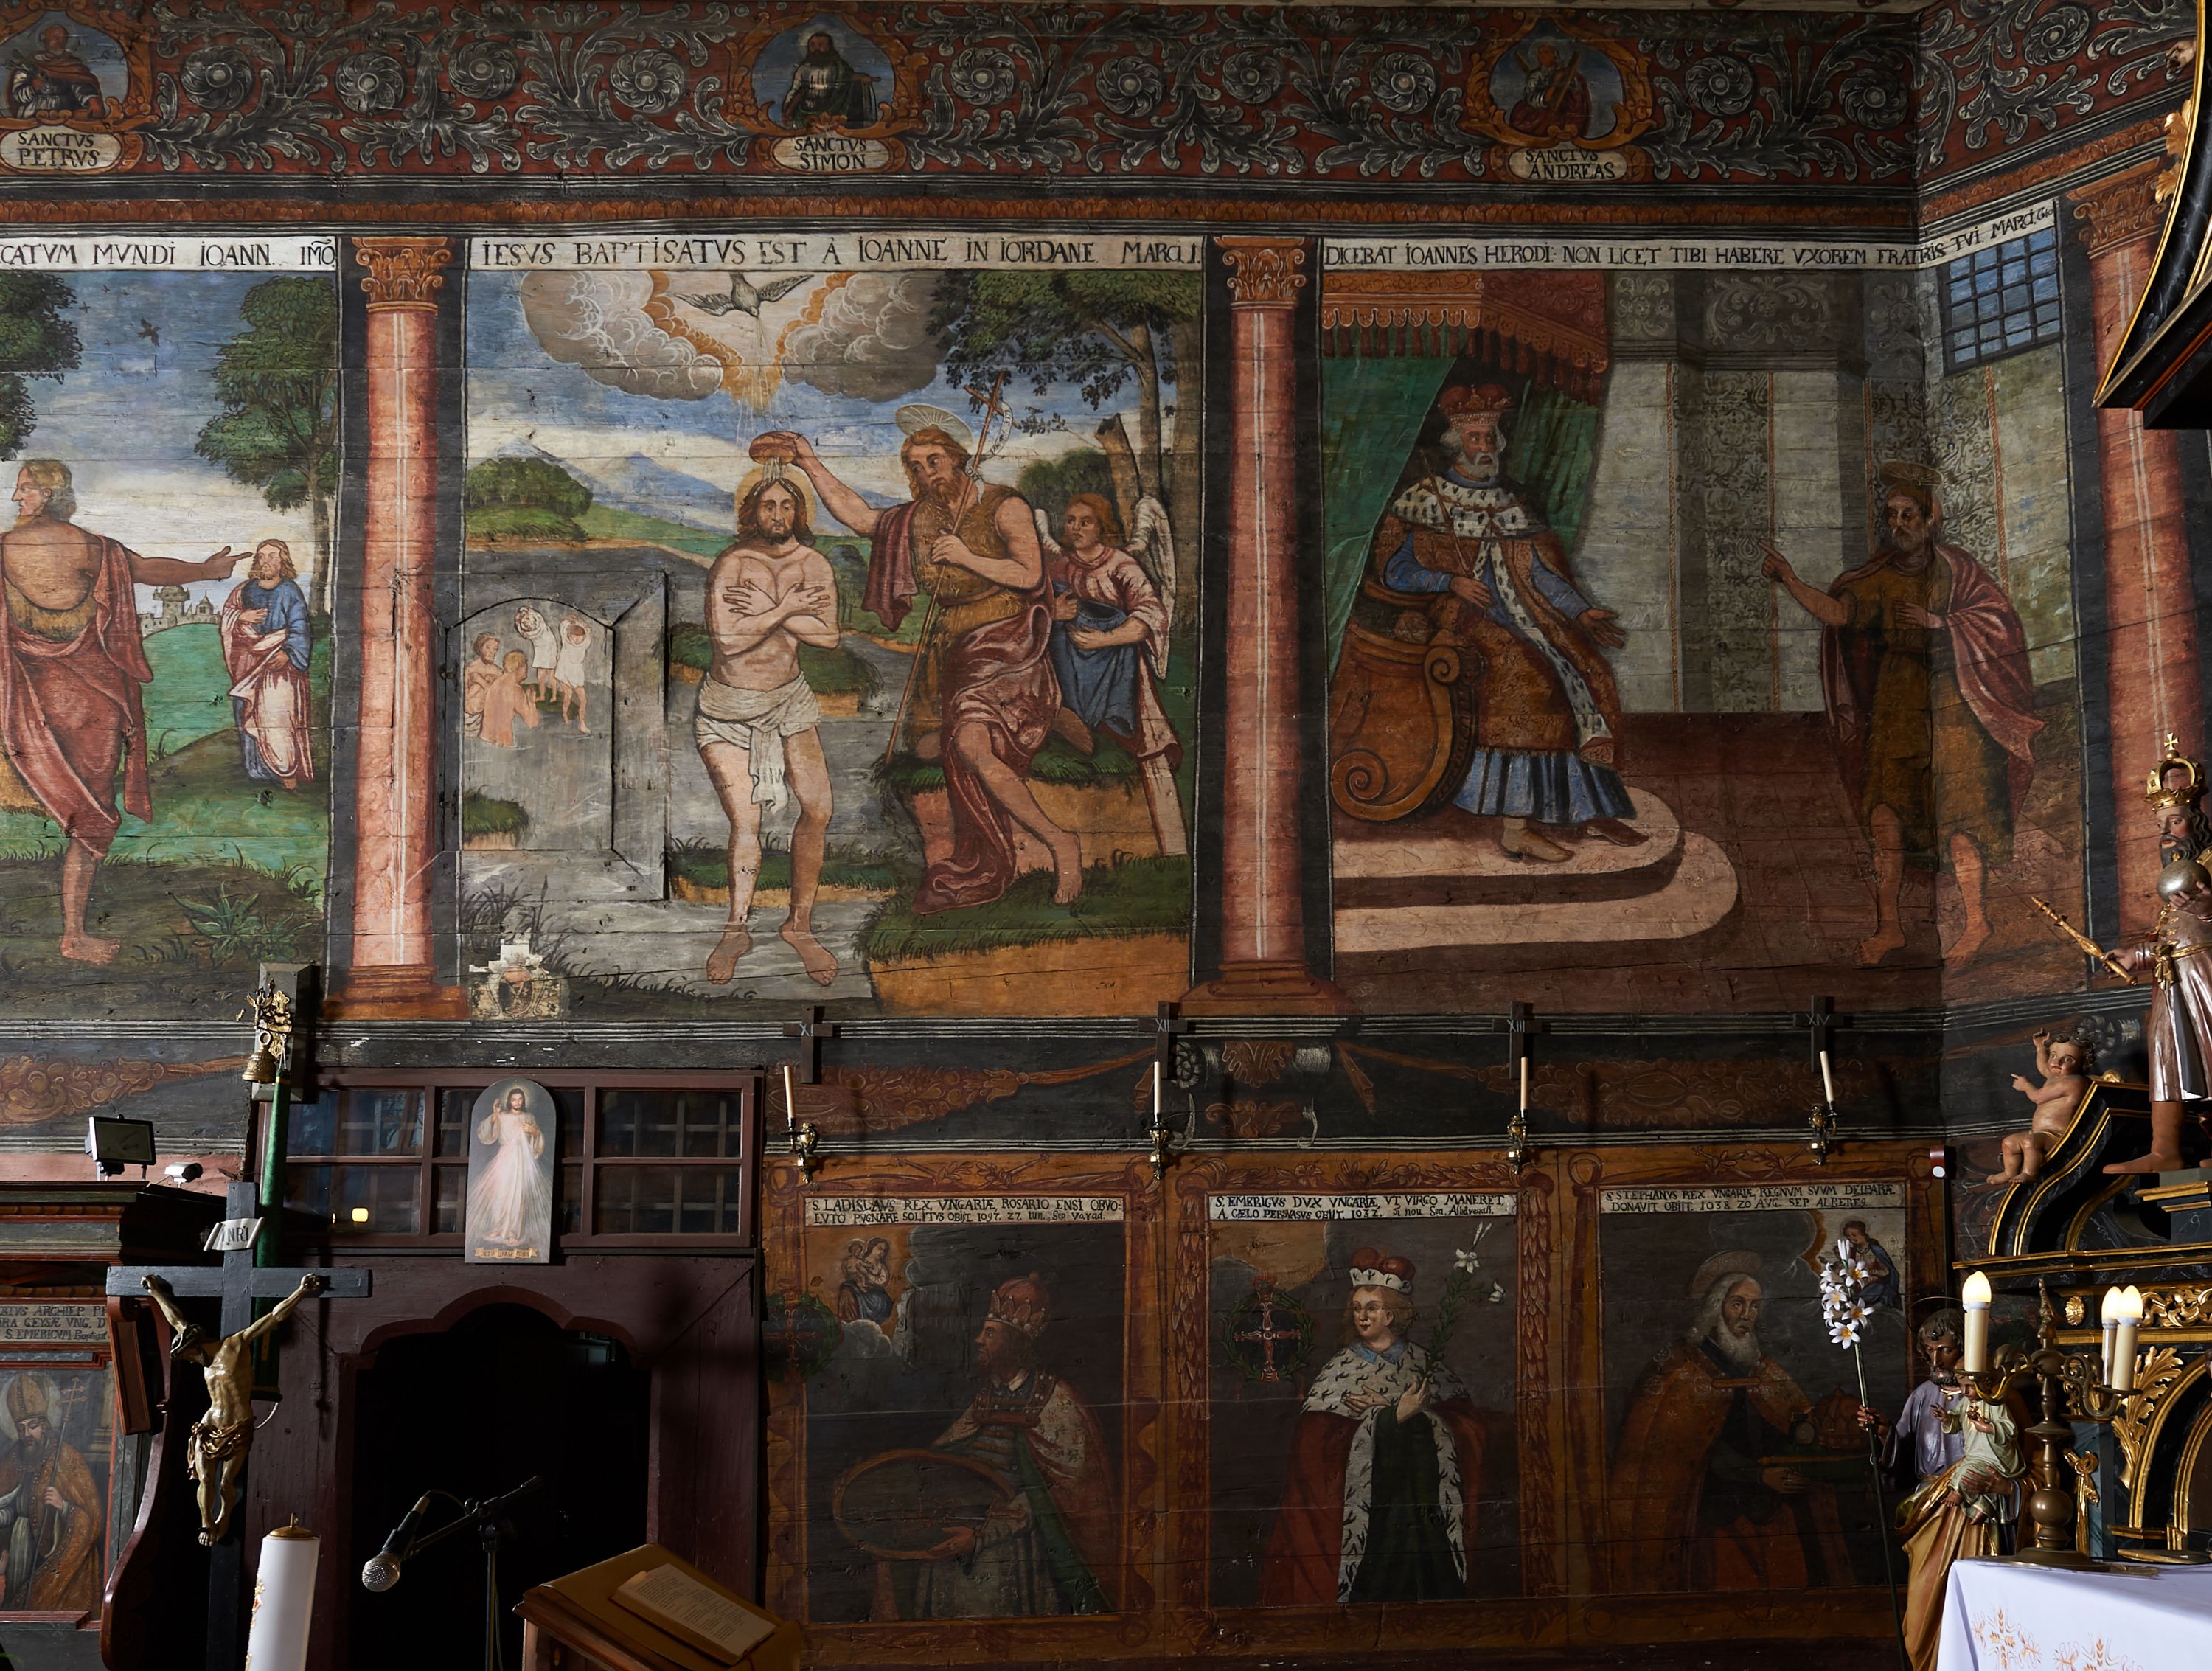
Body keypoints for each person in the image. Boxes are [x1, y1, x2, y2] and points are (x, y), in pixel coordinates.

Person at [763, 423, 1081, 911]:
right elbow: (862, 518)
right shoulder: (920, 517)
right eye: (916, 466)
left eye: (934, 460)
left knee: (970, 744)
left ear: (958, 457)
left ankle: (1060, 841)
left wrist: (967, 557)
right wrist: (808, 461)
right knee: (929, 748)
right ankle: (1040, 720)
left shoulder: (1004, 506)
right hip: (950, 649)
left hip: (1006, 642)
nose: (927, 472)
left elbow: (1030, 573)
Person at [1762, 462, 2042, 970]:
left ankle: (1976, 922)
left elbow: (1999, 624)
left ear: (1931, 518)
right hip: (1896, 704)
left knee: (1962, 818)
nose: (1898, 525)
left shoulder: (1958, 568)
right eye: (1891, 516)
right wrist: (1790, 580)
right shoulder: (1880, 577)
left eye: (1908, 514)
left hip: (1956, 703)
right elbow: (1839, 614)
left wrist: (1940, 623)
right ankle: (1889, 927)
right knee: (1885, 817)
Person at [1368, 383, 1639, 863]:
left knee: (1588, 665)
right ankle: (1517, 830)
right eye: (1475, 438)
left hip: (1525, 613)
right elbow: (1395, 570)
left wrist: (1581, 611)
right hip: (1461, 617)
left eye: (1491, 438)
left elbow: (1541, 574)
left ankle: (1586, 806)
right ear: (1456, 444)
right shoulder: (1425, 500)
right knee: (1529, 676)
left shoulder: (1512, 502)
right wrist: (1450, 582)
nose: (1485, 447)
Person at [0, 459, 240, 964]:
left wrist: (206, 571)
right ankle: (72, 934)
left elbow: (147, 570)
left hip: (36, 695)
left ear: (48, 494)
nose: (17, 499)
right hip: (89, 693)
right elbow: (147, 569)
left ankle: (74, 935)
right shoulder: (94, 548)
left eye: (25, 490)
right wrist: (206, 571)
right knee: (91, 811)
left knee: (87, 811)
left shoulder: (13, 548)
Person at [1607, 1253, 1846, 1592]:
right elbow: (1686, 1449)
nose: (1747, 1315)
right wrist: (1759, 1475)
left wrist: (1804, 1437)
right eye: (1738, 1304)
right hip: (1714, 1517)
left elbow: (1785, 1421)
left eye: (1754, 1307)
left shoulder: (1759, 1365)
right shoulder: (1681, 1369)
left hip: (1769, 1507)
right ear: (1716, 1307)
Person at [1261, 1250, 1485, 1605]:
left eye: (1372, 1308)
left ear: (1391, 1314)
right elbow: (1313, 1446)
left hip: (1418, 1519)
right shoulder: (1340, 1370)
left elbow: (1468, 1429)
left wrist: (1414, 1416)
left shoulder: (1423, 1364)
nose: (1362, 1316)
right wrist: (1388, 1418)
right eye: (1357, 1309)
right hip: (1367, 1520)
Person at [694, 476, 840, 987]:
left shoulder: (814, 565)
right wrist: (789, 608)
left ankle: (799, 925)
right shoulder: (733, 564)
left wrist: (763, 613)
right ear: (751, 512)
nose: (777, 514)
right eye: (767, 505)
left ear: (800, 512)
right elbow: (729, 642)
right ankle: (736, 930)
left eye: (786, 505)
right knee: (747, 821)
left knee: (819, 808)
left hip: (789, 702)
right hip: (729, 709)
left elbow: (830, 636)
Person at [903, 1273, 1114, 1618]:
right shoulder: (988, 1396)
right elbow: (945, 1458)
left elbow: (1051, 1494)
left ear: (1015, 1343)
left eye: (990, 1333)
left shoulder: (1056, 1400)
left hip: (1014, 1550)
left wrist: (981, 1537)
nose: (978, 1340)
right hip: (962, 1534)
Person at [1860, 1311, 2023, 1671]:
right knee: (1921, 1620)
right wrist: (1885, 1434)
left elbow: (2027, 1463)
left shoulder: (1998, 1396)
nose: (1936, 1361)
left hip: (1977, 1517)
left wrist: (2005, 1488)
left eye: (1945, 1350)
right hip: (1931, 1510)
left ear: (1966, 1349)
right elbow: (1902, 1464)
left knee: (1976, 1612)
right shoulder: (1923, 1397)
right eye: (1930, 1351)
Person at [1043, 493, 1186, 855]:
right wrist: (1054, 614)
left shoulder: (1122, 566)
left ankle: (1174, 850)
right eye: (1071, 521)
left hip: (1123, 673)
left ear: (1102, 527)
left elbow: (1149, 615)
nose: (1076, 528)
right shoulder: (1059, 567)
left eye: (1086, 522)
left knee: (1151, 749)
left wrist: (1104, 639)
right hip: (1070, 673)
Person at [140, 1271, 322, 1545]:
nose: (191, 1362)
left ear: (197, 1346)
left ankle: (223, 1518)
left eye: (189, 1357)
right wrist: (154, 1291)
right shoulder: (196, 1348)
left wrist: (302, 1291)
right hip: (209, 1424)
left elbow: (274, 1317)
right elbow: (175, 1319)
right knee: (205, 1478)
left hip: (237, 1425)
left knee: (226, 1482)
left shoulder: (235, 1346)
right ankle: (206, 1523)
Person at [2090, 854, 2212, 1173]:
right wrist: (2137, 955)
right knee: (2166, 1060)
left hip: (2206, 978)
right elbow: (2176, 941)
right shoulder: (2189, 874)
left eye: (2173, 826)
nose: (2166, 833)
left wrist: (2209, 912)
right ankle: (2164, 1151)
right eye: (2161, 828)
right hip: (2174, 983)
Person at [218, 538, 314, 790]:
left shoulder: (290, 590)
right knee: (248, 712)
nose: (266, 561)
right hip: (248, 663)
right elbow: (227, 617)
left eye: (272, 556)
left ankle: (285, 770)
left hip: (279, 664)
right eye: (262, 556)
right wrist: (242, 616)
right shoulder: (245, 590)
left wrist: (289, 652)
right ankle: (257, 769)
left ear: (283, 561)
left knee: (278, 716)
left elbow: (300, 626)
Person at [0, 1373, 100, 1609]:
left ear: (44, 1425)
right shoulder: (12, 1459)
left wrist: (63, 1507)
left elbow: (93, 1520)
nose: (26, 1434)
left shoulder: (67, 1458)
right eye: (21, 1428)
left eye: (32, 1427)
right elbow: (11, 1504)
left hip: (49, 1551)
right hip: (16, 1550)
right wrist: (4, 1515)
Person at [1990, 1029, 2095, 1183]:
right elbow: (2043, 1067)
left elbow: (2038, 1098)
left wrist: (2026, 1086)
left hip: (2057, 1136)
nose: (2057, 1063)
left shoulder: (2074, 1083)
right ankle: (2009, 1172)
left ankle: (2029, 1173)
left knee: (2030, 1142)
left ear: (2082, 1063)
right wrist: (2040, 1048)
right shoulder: (2056, 1076)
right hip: (2039, 1133)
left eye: (2067, 1059)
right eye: (2053, 1056)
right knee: (2009, 1143)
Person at [467, 1085, 550, 1251]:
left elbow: (537, 1138)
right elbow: (485, 1132)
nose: (517, 1102)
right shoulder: (502, 1116)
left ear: (523, 1101)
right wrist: (495, 1115)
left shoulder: (528, 1117)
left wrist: (534, 1132)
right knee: (501, 1193)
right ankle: (498, 1227)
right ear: (509, 1101)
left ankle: (513, 1232)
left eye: (520, 1099)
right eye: (514, 1099)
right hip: (505, 1158)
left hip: (522, 1159)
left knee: (518, 1195)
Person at [778, 29, 878, 128]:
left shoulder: (839, 67)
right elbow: (795, 90)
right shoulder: (803, 69)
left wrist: (863, 78)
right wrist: (787, 110)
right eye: (813, 45)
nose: (816, 48)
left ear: (829, 47)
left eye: (820, 45)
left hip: (831, 112)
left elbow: (848, 79)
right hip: (805, 113)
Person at [4, 24, 102, 117]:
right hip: (33, 112)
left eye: (63, 37)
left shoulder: (72, 64)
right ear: (45, 39)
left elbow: (80, 84)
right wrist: (33, 87)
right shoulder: (30, 64)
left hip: (66, 112)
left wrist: (92, 100)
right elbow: (17, 96)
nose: (59, 39)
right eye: (55, 36)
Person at [1509, 41, 1591, 139]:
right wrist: (1548, 93)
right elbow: (1530, 96)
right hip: (1540, 109)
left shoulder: (1563, 72)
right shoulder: (1536, 75)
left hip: (1563, 108)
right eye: (1540, 53)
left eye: (1546, 52)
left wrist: (1569, 81)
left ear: (1554, 55)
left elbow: (1577, 90)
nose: (1542, 56)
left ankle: (1570, 126)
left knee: (1574, 95)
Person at [1840, 1219, 1900, 1312]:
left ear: (1862, 1233)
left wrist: (1872, 1273)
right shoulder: (1852, 1252)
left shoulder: (1875, 1250)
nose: (1852, 1239)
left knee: (1880, 1287)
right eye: (1849, 1237)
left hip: (1874, 1285)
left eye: (1854, 1235)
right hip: (1858, 1287)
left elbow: (1887, 1271)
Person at [553, 615, 592, 732]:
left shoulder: (585, 643)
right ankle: (564, 714)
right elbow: (563, 625)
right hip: (565, 671)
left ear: (583, 636)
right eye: (574, 637)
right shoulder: (566, 640)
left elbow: (588, 629)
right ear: (569, 635)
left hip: (576, 673)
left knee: (583, 700)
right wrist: (569, 619)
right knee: (568, 695)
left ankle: (582, 723)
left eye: (579, 637)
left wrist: (578, 621)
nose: (576, 640)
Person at [515, 605, 558, 701]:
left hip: (550, 647)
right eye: (525, 622)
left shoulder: (539, 621)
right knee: (540, 675)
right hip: (540, 649)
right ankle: (542, 696)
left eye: (527, 620)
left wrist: (527, 612)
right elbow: (523, 632)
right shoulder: (528, 631)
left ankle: (554, 696)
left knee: (551, 674)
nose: (528, 624)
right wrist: (518, 622)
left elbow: (533, 617)